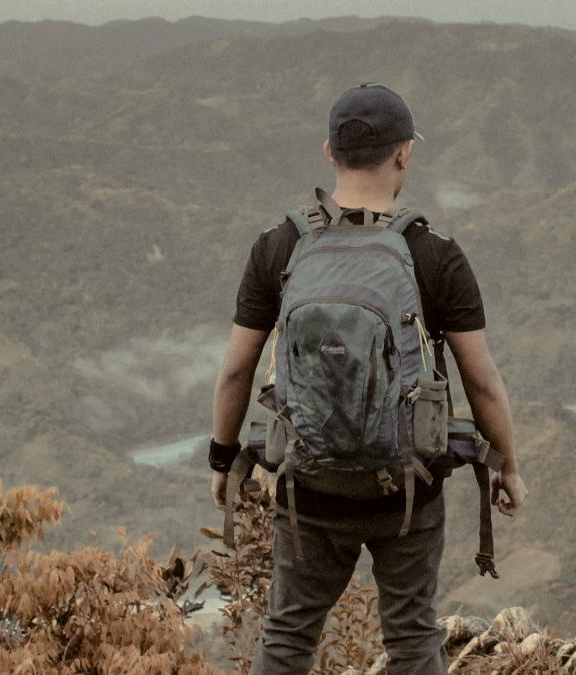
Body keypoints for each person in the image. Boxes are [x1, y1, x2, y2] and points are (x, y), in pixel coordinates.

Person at [208, 83, 527, 675]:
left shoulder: (279, 247)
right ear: (405, 152)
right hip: (406, 488)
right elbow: (482, 382)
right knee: (410, 635)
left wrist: (223, 459)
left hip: (310, 484)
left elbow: (235, 371)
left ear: (329, 151)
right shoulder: (434, 255)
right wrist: (505, 465)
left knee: (287, 634)